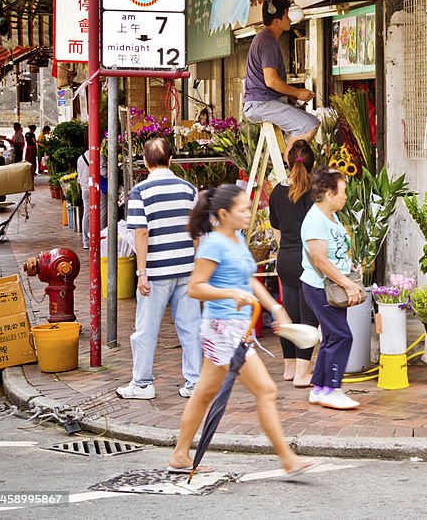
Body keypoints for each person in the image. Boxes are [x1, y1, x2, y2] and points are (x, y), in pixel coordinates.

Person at [167, 184, 318, 477]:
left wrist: (276, 308)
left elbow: (249, 280)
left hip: (236, 329)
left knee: (204, 394)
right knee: (265, 390)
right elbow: (195, 287)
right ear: (224, 214)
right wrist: (229, 295)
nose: (249, 213)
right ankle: (287, 459)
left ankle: (179, 454)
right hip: (221, 330)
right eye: (243, 209)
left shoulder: (235, 238)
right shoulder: (212, 244)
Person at [116, 138, 201, 400]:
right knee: (190, 328)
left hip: (155, 271)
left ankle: (142, 383)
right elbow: (197, 231)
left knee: (146, 328)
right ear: (171, 160)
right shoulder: (188, 189)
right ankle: (195, 382)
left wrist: (141, 272)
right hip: (186, 267)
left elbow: (141, 233)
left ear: (145, 162)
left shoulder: (140, 192)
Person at [301, 167, 364, 410]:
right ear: (329, 193)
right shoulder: (315, 220)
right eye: (343, 191)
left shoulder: (331, 215)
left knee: (331, 336)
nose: (345, 196)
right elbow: (319, 260)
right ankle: (332, 388)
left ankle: (320, 387)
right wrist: (347, 282)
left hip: (332, 285)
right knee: (341, 335)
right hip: (322, 287)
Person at [242, 0, 319, 156]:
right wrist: (297, 93)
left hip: (260, 103)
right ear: (276, 21)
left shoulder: (264, 39)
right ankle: (290, 168)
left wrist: (289, 96)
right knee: (309, 124)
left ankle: (285, 166)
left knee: (303, 124)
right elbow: (271, 81)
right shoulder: (268, 42)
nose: (289, 20)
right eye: (286, 15)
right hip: (261, 104)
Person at [269, 140, 318, 386]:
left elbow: (276, 230)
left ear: (289, 163)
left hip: (286, 259)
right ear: (313, 165)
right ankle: (302, 373)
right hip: (307, 260)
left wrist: (285, 251)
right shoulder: (314, 193)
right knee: (308, 318)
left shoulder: (277, 191)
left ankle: (289, 368)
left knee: (289, 315)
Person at [77, 150, 108, 250]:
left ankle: (86, 241)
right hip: (97, 187)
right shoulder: (99, 155)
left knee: (86, 213)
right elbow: (103, 173)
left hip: (85, 188)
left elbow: (79, 177)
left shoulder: (80, 158)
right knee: (101, 212)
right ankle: (100, 239)